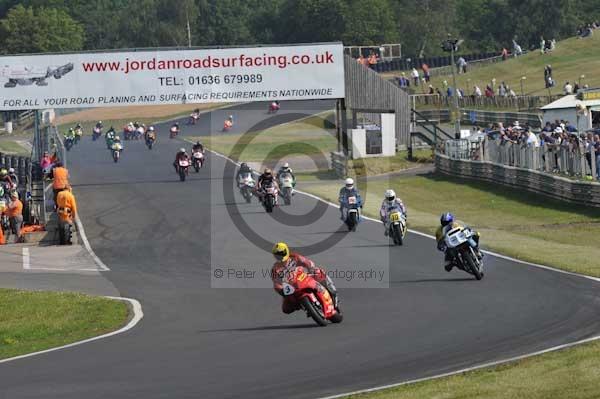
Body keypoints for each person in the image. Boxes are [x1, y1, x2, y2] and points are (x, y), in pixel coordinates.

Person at [270, 242, 338, 313]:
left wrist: (311, 269)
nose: (279, 256)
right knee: (286, 309)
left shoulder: (295, 257)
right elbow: (276, 283)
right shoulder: (275, 269)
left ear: (286, 251)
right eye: (277, 255)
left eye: (281, 254)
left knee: (318, 272)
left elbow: (307, 262)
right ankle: (305, 305)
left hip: (304, 278)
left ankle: (331, 291)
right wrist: (281, 290)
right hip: (292, 288)